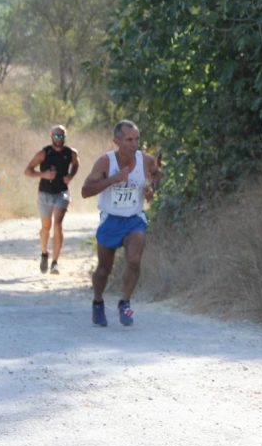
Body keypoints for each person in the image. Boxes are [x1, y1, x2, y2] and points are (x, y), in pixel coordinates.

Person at [80, 120, 161, 327]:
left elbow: (158, 174)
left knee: (134, 260)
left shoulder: (145, 160)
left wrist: (152, 189)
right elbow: (85, 191)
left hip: (134, 219)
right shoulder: (106, 162)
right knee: (103, 270)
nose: (134, 144)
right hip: (111, 219)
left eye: (136, 139)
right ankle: (98, 302)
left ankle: (125, 302)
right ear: (116, 141)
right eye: (129, 139)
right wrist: (113, 179)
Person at [24, 124, 80, 275]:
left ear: (65, 137)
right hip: (44, 194)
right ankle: (44, 253)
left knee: (58, 224)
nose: (59, 138)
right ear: (51, 137)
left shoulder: (71, 153)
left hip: (62, 193)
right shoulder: (44, 153)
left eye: (61, 136)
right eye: (56, 136)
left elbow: (76, 164)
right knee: (46, 227)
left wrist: (71, 176)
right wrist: (43, 175)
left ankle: (55, 263)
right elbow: (28, 171)